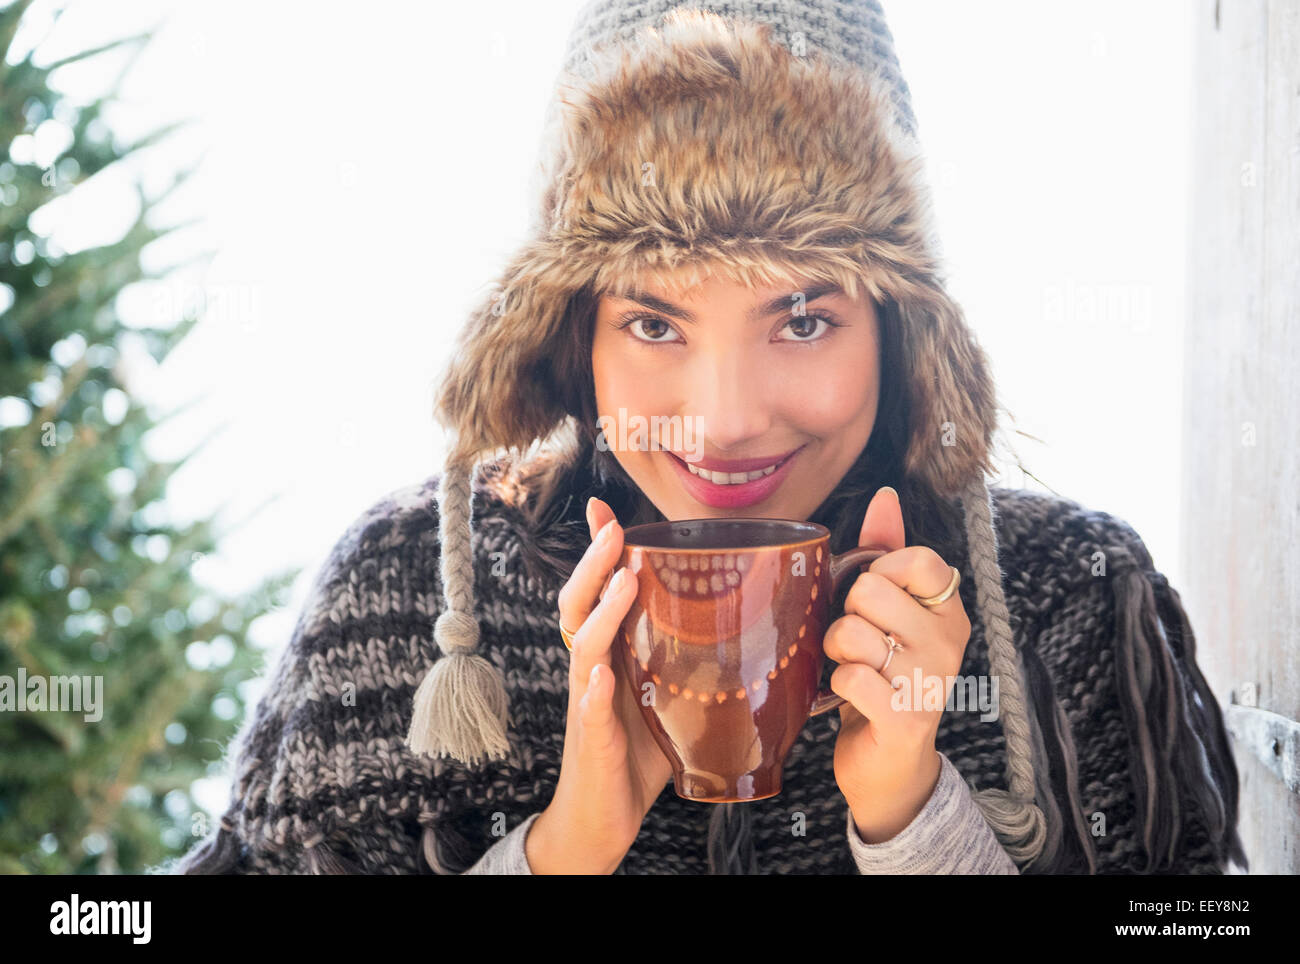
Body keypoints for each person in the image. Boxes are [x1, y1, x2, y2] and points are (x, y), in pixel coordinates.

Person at [167, 0, 1247, 875]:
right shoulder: (405, 593)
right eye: (653, 321)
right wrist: (562, 849)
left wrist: (918, 821)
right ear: (569, 333)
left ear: (899, 329)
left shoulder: (1070, 593)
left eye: (804, 318)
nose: (725, 420)